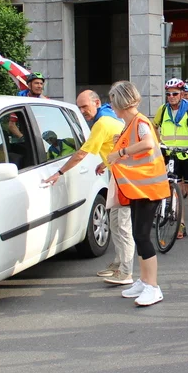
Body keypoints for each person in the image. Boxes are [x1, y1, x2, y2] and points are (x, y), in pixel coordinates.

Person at [43, 90, 134, 286]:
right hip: (119, 176)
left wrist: (59, 173)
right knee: (115, 223)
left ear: (97, 103)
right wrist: (105, 164)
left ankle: (126, 272)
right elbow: (114, 146)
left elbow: (81, 154)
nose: (82, 111)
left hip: (125, 179)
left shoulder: (102, 123)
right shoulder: (108, 118)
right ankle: (119, 265)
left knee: (123, 226)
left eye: (85, 106)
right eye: (80, 107)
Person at [106, 81, 171, 307]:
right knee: (138, 235)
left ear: (120, 102)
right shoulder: (132, 123)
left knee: (142, 236)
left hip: (147, 188)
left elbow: (148, 143)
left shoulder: (139, 121)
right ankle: (144, 281)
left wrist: (120, 152)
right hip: (140, 187)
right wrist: (120, 145)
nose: (111, 105)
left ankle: (153, 287)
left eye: (113, 101)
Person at [154, 78, 188, 239]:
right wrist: (158, 142)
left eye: (175, 94)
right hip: (170, 154)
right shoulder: (163, 109)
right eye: (168, 94)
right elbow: (154, 126)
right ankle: (180, 224)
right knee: (176, 191)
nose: (171, 97)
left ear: (182, 94)